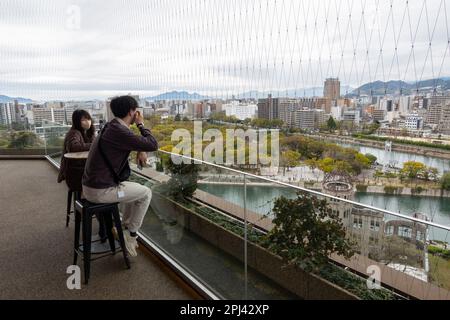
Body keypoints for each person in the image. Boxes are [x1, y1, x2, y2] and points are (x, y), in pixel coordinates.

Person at [82, 96, 158, 257]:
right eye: (136, 110)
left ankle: (122, 227)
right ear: (132, 111)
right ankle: (131, 235)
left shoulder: (111, 126)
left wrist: (140, 149)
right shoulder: (120, 131)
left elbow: (134, 142)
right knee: (146, 193)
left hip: (90, 186)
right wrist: (140, 124)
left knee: (133, 190)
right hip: (101, 191)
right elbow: (152, 144)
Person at [57, 109, 95, 189]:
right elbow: (74, 147)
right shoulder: (74, 132)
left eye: (88, 119)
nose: (87, 122)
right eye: (83, 120)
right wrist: (95, 144)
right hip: (75, 172)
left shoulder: (88, 132)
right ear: (77, 121)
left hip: (80, 168)